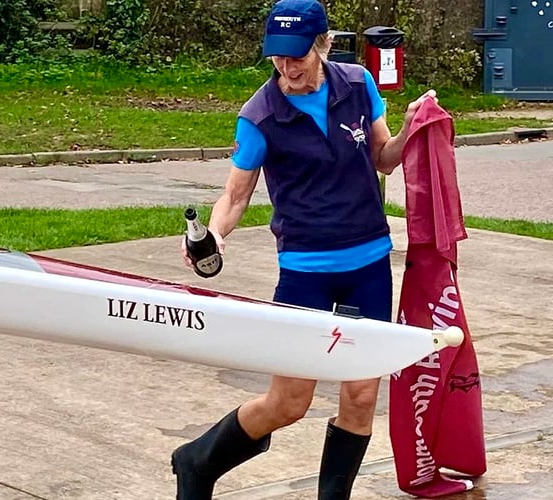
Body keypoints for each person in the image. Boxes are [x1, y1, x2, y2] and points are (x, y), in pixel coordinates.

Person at [171, 0, 438, 498]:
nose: (287, 67)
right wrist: (217, 234)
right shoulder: (259, 115)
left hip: (368, 263)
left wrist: (410, 131)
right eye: (278, 57)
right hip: (304, 271)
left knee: (360, 395)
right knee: (290, 400)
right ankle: (197, 460)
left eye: (298, 56)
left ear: (323, 45)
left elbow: (383, 158)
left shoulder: (358, 84)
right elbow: (235, 193)